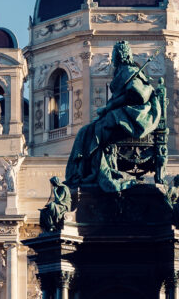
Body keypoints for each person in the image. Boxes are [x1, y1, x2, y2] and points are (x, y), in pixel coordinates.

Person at [65, 41, 162, 193]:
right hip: (123, 115)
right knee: (87, 131)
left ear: (120, 54)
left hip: (132, 116)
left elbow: (139, 95)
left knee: (93, 131)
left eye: (114, 54)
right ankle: (85, 172)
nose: (112, 58)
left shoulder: (128, 71)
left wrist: (109, 107)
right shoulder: (124, 71)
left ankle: (88, 173)